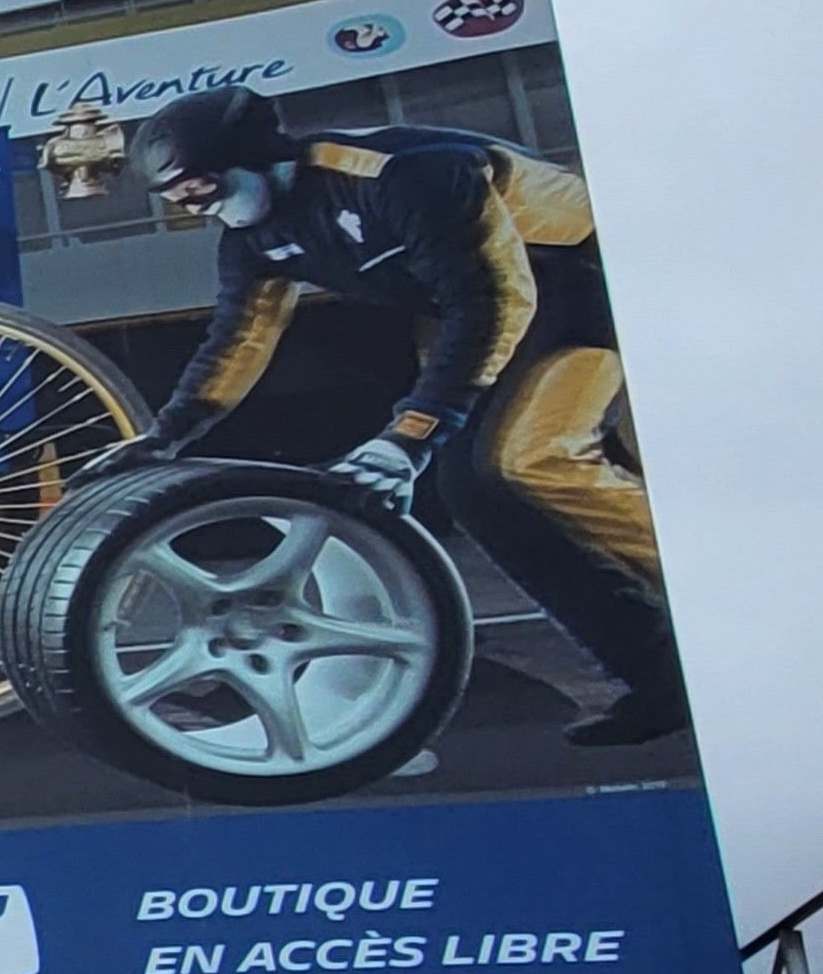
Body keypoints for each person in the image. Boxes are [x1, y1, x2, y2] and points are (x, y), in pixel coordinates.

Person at [110, 84, 686, 746]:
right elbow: (240, 337)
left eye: (201, 185)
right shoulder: (255, 235)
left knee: (532, 457)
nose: (197, 204)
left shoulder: (404, 175)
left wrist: (410, 434)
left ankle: (722, 596)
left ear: (253, 156)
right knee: (474, 491)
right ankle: (659, 676)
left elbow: (494, 303)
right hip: (505, 309)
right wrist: (166, 436)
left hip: (593, 277)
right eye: (179, 196)